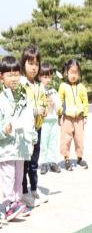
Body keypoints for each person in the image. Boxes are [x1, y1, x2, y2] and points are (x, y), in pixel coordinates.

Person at [0, 56, 37, 221]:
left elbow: (29, 121)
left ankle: (17, 203)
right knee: (8, 177)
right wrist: (4, 130)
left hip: (21, 147)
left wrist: (33, 137)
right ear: (1, 77)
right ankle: (7, 205)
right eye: (9, 75)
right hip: (7, 148)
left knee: (18, 177)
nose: (13, 78)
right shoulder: (1, 100)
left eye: (16, 74)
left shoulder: (23, 97)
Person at [20, 45, 48, 208]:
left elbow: (43, 102)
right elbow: (22, 106)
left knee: (34, 161)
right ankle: (24, 192)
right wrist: (35, 110)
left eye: (36, 64)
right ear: (23, 64)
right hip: (25, 131)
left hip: (38, 128)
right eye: (30, 63)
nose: (34, 67)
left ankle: (35, 190)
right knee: (25, 162)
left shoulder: (39, 85)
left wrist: (44, 110)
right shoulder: (21, 84)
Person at [58, 59, 88, 171]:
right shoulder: (63, 86)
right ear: (67, 72)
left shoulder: (81, 87)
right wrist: (59, 115)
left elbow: (85, 102)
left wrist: (85, 116)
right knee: (66, 139)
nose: (73, 75)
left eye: (76, 72)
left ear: (79, 73)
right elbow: (59, 101)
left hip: (79, 118)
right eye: (71, 72)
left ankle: (79, 158)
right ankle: (66, 159)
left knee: (79, 138)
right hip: (67, 118)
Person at [39, 63, 61, 174]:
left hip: (53, 120)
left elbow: (59, 105)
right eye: (45, 77)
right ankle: (43, 162)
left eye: (49, 77)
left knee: (53, 142)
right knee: (43, 142)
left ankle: (52, 162)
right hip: (44, 121)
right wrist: (45, 104)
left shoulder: (53, 91)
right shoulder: (39, 90)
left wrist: (54, 104)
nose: (47, 79)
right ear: (40, 77)